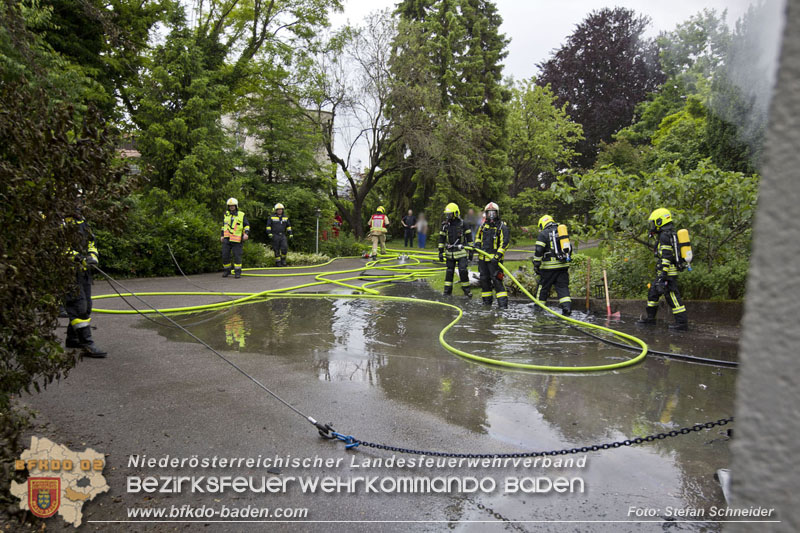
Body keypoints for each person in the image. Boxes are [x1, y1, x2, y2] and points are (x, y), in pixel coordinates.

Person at [636, 208, 689, 330]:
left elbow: (667, 256)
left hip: (668, 274)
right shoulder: (664, 235)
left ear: (660, 222)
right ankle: (650, 319)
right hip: (663, 273)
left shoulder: (665, 236)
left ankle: (682, 323)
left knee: (673, 297)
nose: (653, 225)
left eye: (654, 222)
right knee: (653, 294)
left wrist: (663, 276)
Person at [64, 213, 107, 357]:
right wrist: (78, 258)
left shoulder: (82, 220)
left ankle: (72, 338)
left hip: (84, 271)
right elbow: (57, 246)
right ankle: (87, 343)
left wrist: (92, 257)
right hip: (67, 271)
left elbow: (91, 242)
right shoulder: (57, 221)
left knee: (87, 304)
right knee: (78, 305)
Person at [532, 215, 572, 316]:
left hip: (548, 268)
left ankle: (539, 309)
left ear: (542, 224)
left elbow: (538, 250)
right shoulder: (561, 232)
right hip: (563, 266)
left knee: (543, 288)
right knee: (563, 288)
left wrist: (536, 264)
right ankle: (566, 308)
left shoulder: (543, 233)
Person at [474, 202, 510, 309]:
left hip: (495, 261)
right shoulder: (483, 226)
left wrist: (497, 257)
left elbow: (505, 243)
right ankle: (486, 304)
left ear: (497, 213)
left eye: (493, 213)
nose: (491, 215)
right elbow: (478, 237)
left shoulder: (502, 227)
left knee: (497, 282)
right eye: (489, 213)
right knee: (484, 281)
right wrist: (477, 244)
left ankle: (502, 306)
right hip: (482, 260)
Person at [438, 203, 472, 298]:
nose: (448, 216)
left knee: (463, 271)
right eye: (447, 214)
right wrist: (440, 252)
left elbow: (469, 238)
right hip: (449, 254)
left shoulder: (463, 224)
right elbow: (441, 239)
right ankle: (447, 292)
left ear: (456, 213)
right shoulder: (445, 225)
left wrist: (471, 252)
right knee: (449, 272)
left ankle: (467, 291)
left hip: (461, 253)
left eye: (450, 214)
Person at [221, 197, 250, 278]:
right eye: (230, 206)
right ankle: (227, 270)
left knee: (237, 256)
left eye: (233, 206)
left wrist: (246, 234)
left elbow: (246, 225)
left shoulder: (241, 214)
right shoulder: (226, 214)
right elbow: (223, 226)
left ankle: (237, 272)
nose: (231, 207)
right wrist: (222, 235)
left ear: (236, 206)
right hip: (227, 239)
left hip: (237, 239)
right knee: (225, 255)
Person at [267, 203, 293, 267]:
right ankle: (278, 262)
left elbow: (288, 226)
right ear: (276, 210)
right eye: (278, 210)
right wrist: (269, 233)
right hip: (275, 235)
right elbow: (268, 226)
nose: (280, 211)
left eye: (281, 210)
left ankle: (283, 260)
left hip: (283, 235)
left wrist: (290, 234)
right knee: (276, 249)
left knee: (285, 247)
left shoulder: (285, 217)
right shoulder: (271, 217)